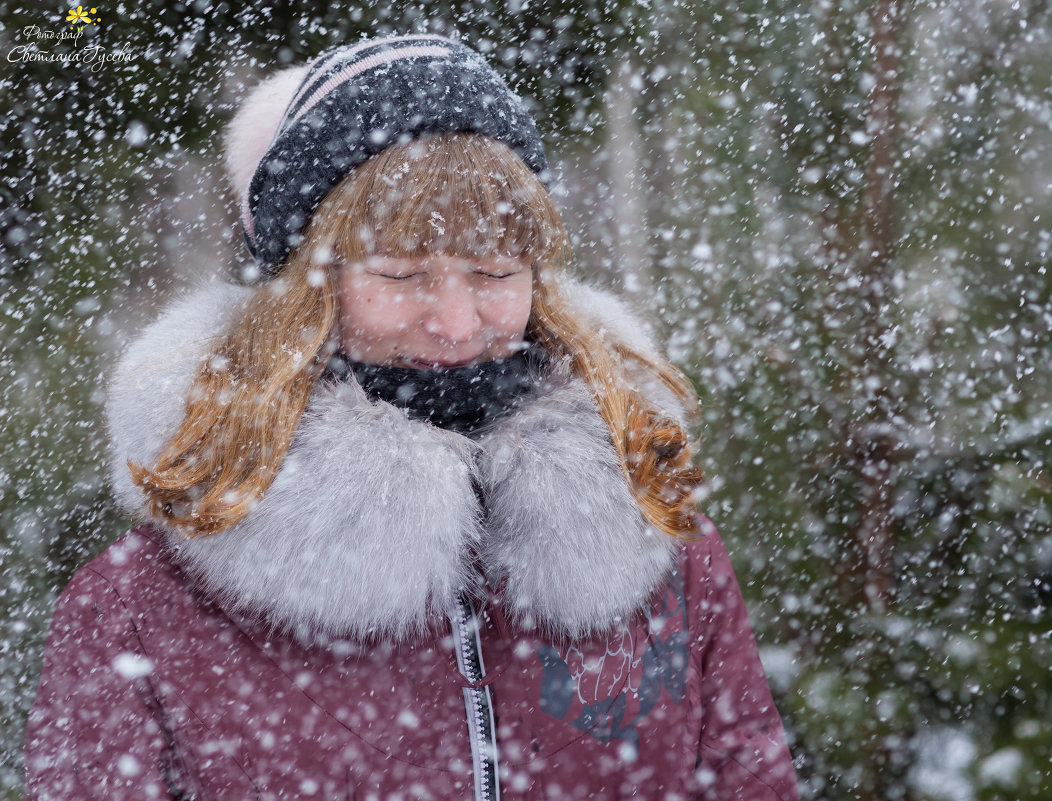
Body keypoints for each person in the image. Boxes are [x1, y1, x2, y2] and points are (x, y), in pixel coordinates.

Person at [24, 34, 799, 800]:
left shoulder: (654, 523)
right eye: (399, 273)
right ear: (307, 285)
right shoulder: (136, 607)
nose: (457, 322)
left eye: (495, 271)